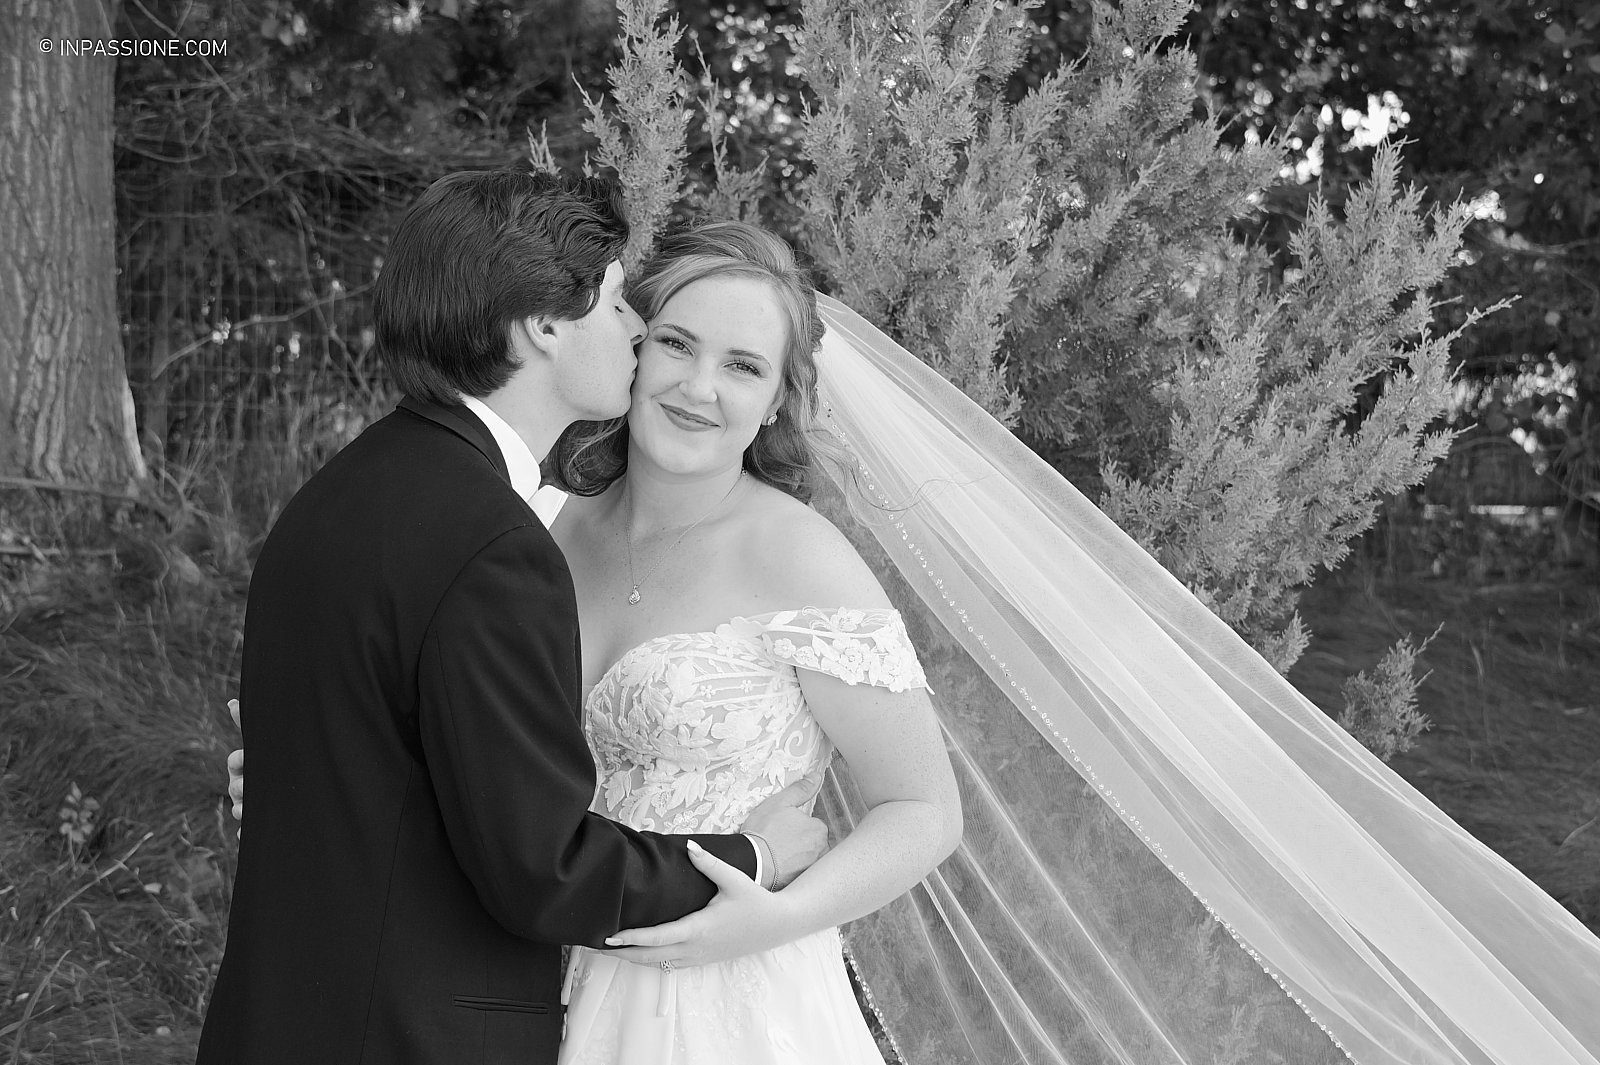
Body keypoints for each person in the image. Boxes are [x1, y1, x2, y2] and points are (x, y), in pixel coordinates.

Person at [228, 216, 1600, 1065]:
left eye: (743, 366)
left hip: (726, 997)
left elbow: (920, 810)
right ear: (627, 344)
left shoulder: (800, 562)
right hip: (530, 980)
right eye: (677, 343)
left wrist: (777, 909)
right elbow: (482, 772)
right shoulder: (539, 527)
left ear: (779, 401)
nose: (698, 385)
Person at [196, 173, 828, 1065]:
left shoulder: (338, 492)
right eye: (616, 300)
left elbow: (375, 763)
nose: (636, 329)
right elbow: (543, 868)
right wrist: (754, 854)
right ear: (544, 324)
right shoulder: (497, 546)